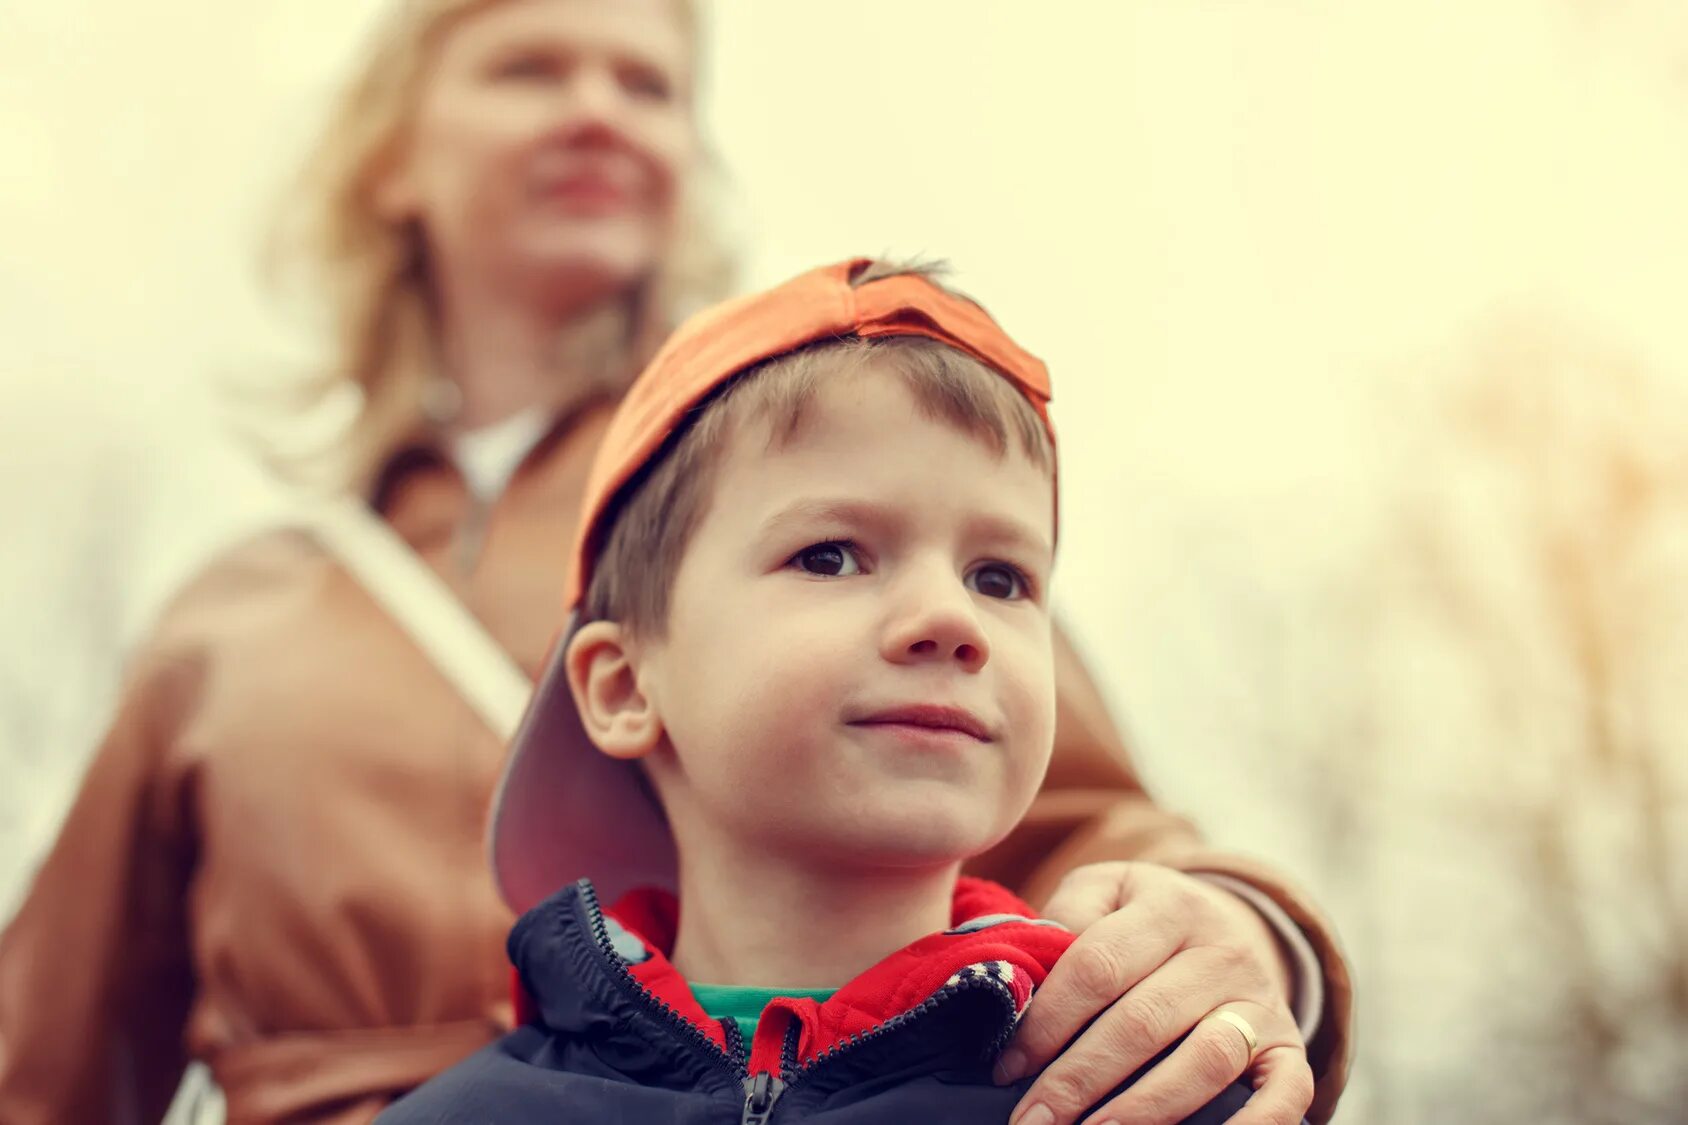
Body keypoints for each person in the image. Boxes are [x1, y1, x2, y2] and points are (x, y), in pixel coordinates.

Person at [0, 2, 1348, 1122]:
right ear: (392, 160)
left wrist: (1247, 938)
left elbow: (1101, 832)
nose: (601, 108)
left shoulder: (797, 494)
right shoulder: (235, 615)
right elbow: (41, 1066)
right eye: (532, 65)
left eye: (649, 84)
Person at [376, 256, 1266, 1124]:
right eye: (830, 555)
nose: (950, 616)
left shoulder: (1148, 1096)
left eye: (999, 577)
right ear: (622, 687)